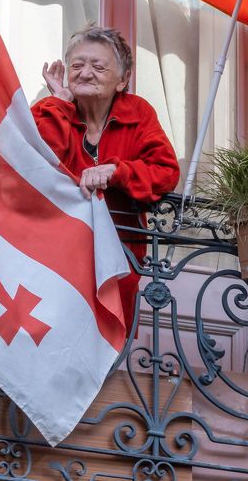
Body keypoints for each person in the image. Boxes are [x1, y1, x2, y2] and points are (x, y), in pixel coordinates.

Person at [31, 24, 180, 337]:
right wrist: (59, 102)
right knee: (48, 337)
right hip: (53, 256)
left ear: (123, 79)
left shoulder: (138, 114)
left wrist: (117, 172)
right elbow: (35, 165)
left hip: (118, 262)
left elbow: (165, 171)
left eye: (98, 66)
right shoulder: (48, 110)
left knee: (105, 345)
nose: (85, 73)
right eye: (77, 65)